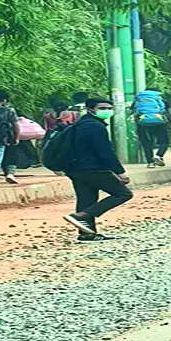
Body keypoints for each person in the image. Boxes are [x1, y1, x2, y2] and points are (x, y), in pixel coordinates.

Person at [62, 96, 134, 242]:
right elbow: (105, 152)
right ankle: (81, 216)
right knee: (123, 194)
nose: (107, 111)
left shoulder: (79, 124)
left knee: (86, 199)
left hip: (75, 169)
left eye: (109, 108)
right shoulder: (95, 126)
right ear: (91, 110)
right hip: (93, 168)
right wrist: (120, 172)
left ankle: (87, 233)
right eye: (102, 108)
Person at [131, 86, 170, 167]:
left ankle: (150, 162)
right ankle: (158, 155)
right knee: (164, 141)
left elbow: (133, 110)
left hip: (142, 123)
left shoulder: (138, 99)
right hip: (159, 122)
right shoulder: (160, 99)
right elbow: (166, 110)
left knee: (146, 143)